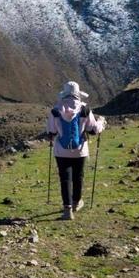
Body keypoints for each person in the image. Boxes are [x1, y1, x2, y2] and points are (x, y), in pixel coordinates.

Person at [46, 81, 107, 220]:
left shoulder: (56, 110)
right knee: (78, 176)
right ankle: (76, 202)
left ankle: (67, 211)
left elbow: (51, 131)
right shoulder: (84, 109)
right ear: (77, 94)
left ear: (65, 94)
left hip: (61, 151)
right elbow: (93, 129)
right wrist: (101, 123)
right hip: (80, 150)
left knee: (65, 178)